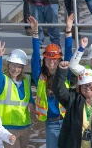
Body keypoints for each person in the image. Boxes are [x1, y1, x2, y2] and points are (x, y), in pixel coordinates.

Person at [28, 15, 76, 148]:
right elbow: (35, 56)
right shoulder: (40, 76)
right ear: (45, 60)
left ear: (60, 60)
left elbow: (69, 55)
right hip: (51, 123)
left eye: (55, 58)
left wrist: (68, 30)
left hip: (67, 121)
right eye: (49, 58)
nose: (52, 61)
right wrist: (35, 33)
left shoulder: (64, 74)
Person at [0, 42, 32, 148]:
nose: (15, 69)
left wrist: (31, 102)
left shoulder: (26, 80)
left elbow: (28, 96)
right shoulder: (2, 81)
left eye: (19, 67)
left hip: (24, 126)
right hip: (7, 128)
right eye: (13, 65)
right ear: (8, 65)